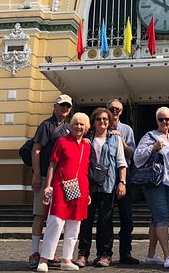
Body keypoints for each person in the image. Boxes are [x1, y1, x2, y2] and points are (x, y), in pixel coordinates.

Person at [36, 113, 91, 272]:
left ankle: (67, 259)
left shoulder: (87, 146)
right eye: (76, 123)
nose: (79, 127)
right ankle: (44, 259)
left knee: (74, 225)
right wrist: (48, 185)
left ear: (86, 128)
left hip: (80, 188)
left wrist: (87, 193)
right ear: (71, 125)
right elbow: (52, 164)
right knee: (55, 222)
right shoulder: (62, 142)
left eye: (82, 124)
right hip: (61, 186)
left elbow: (86, 170)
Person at [134, 106, 169, 269]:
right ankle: (167, 256)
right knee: (162, 217)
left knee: (156, 218)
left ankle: (150, 255)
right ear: (156, 120)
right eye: (161, 119)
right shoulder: (150, 136)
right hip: (155, 183)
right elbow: (137, 156)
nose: (164, 122)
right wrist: (153, 147)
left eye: (167, 119)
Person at [76, 108, 127, 268]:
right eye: (99, 119)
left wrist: (122, 182)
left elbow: (121, 162)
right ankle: (83, 254)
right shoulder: (86, 139)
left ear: (109, 121)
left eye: (105, 119)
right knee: (86, 221)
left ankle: (104, 254)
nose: (102, 122)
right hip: (88, 186)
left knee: (105, 221)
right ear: (94, 121)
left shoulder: (115, 139)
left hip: (108, 185)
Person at [29, 94, 74, 269]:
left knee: (56, 217)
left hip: (61, 180)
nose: (65, 109)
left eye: (68, 106)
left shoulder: (69, 128)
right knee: (40, 214)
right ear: (55, 106)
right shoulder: (46, 126)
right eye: (62, 105)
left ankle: (49, 252)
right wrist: (36, 174)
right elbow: (36, 150)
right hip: (44, 177)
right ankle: (34, 252)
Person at [107, 99, 139, 265]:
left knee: (127, 218)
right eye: (112, 109)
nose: (115, 112)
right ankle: (106, 253)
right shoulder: (101, 126)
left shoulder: (127, 129)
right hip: (105, 180)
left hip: (124, 178)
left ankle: (125, 253)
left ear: (122, 112)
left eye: (118, 110)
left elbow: (132, 154)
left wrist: (121, 140)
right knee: (106, 218)